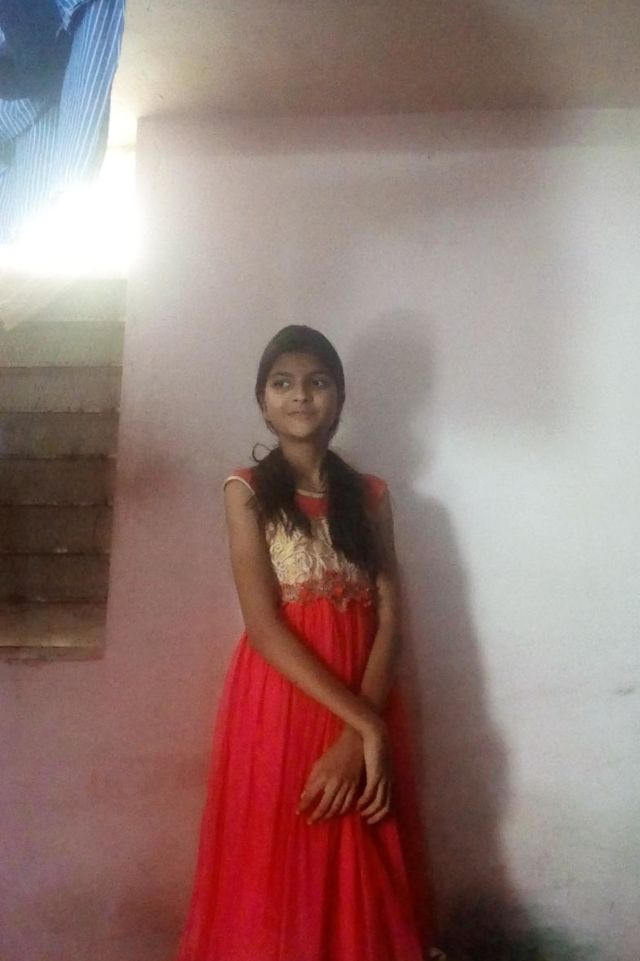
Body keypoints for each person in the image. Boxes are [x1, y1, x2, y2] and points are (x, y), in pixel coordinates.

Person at [176, 325, 444, 961]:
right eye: (283, 383)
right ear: (263, 402)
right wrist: (366, 725)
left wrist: (362, 731)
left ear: (340, 398)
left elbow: (389, 618)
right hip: (281, 699)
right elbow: (263, 625)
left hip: (366, 689)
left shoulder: (372, 496)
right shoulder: (245, 490)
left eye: (317, 382)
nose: (300, 395)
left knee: (363, 853)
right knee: (284, 855)